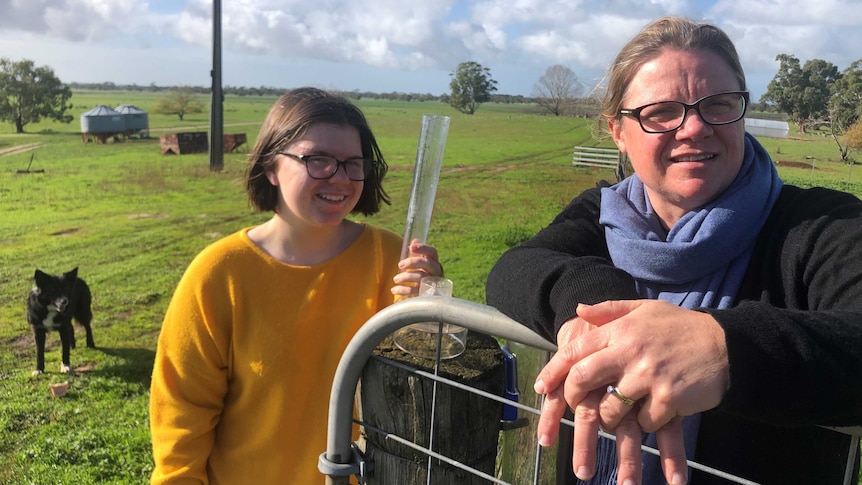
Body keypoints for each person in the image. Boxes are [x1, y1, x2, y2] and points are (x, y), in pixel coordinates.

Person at [486, 16, 862, 485]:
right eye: (662, 111)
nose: (695, 127)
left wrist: (721, 348)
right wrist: (597, 306)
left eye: (719, 105)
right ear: (617, 131)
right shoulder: (601, 213)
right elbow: (512, 269)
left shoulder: (821, 224)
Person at [149, 87, 443, 484]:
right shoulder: (220, 274)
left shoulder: (393, 262)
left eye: (353, 163)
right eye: (317, 160)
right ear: (271, 166)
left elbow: (423, 389)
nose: (340, 178)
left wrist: (432, 307)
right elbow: (182, 415)